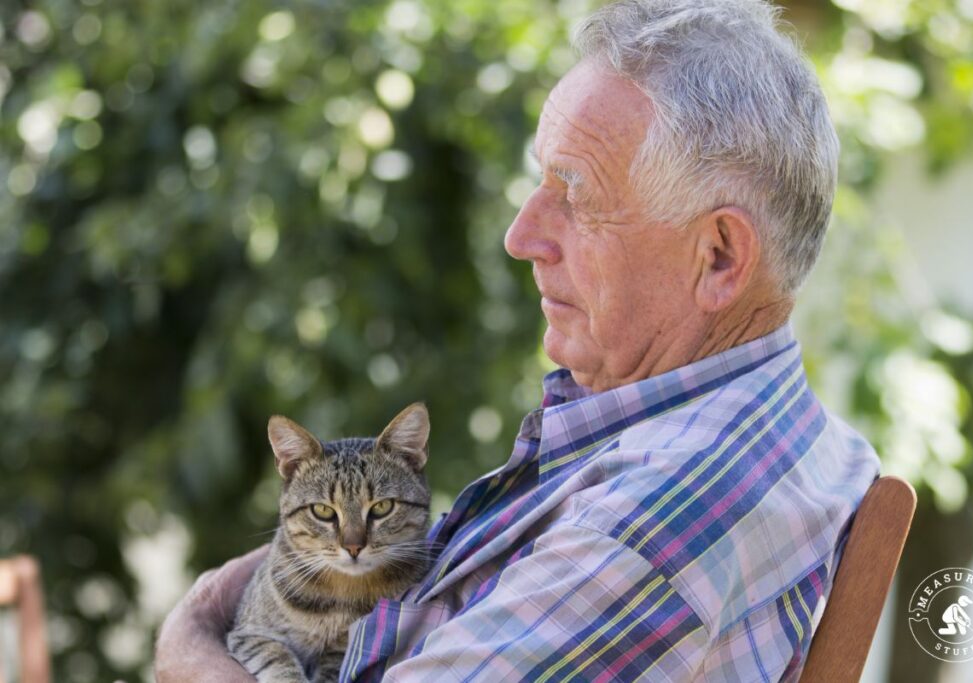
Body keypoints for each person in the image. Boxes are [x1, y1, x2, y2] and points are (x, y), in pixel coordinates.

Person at [156, 0, 881, 680]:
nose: (521, 236)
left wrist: (188, 645)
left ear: (719, 257)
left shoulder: (648, 521)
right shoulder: (792, 434)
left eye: (575, 196)